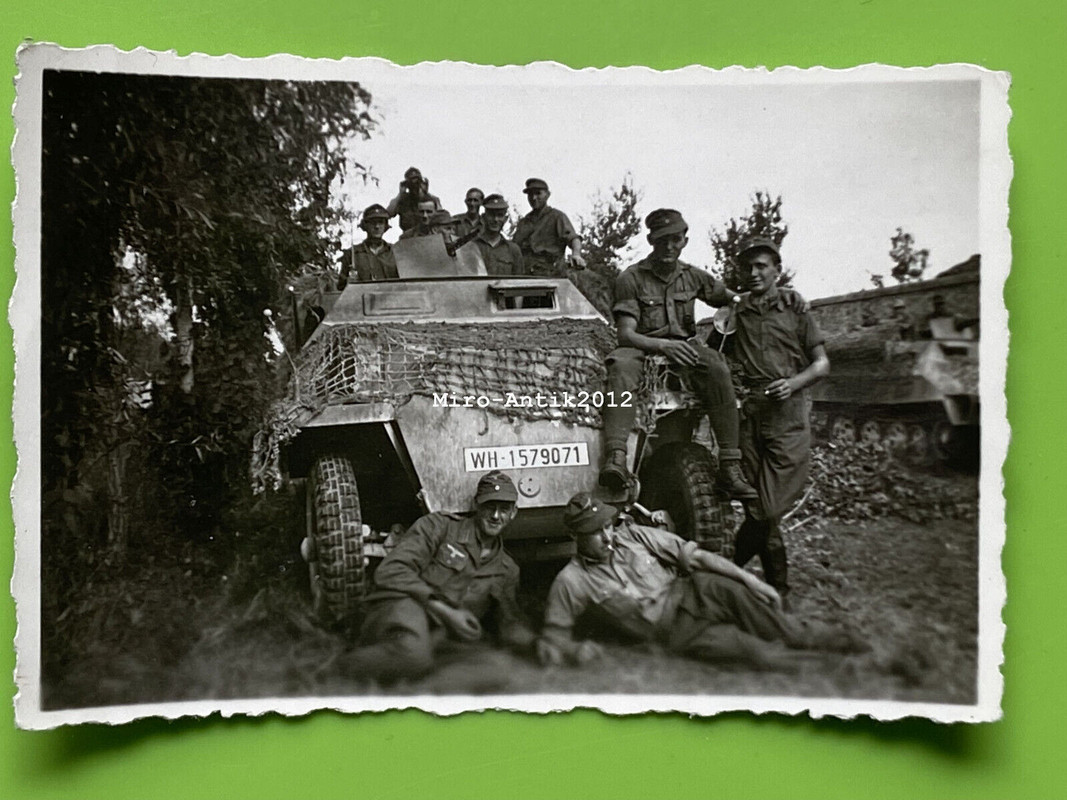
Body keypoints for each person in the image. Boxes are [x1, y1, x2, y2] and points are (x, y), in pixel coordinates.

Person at [536, 492, 865, 669]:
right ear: (574, 536)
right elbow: (553, 637)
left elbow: (697, 557)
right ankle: (844, 668)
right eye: (594, 532)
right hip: (675, 632)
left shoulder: (633, 535)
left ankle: (851, 642)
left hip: (700, 591)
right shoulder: (571, 581)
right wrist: (576, 651)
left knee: (778, 626)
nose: (607, 535)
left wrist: (753, 582)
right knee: (758, 655)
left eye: (607, 525)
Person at [599, 208, 766, 500]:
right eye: (662, 240)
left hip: (685, 349)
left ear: (685, 240)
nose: (669, 247)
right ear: (651, 240)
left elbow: (730, 298)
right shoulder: (631, 278)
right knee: (620, 367)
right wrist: (664, 345)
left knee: (716, 365)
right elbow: (626, 334)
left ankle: (730, 465)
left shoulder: (692, 276)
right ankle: (616, 457)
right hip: (642, 347)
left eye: (675, 239)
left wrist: (754, 300)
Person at [345, 471, 535, 681]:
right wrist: (444, 611)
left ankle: (415, 696)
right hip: (403, 606)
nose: (496, 516)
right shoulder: (439, 526)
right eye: (490, 507)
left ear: (514, 512)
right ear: (476, 505)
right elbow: (392, 570)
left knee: (498, 667)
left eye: (504, 509)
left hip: (441, 634)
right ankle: (333, 671)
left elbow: (508, 623)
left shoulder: (507, 569)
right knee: (413, 656)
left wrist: (538, 644)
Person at [725, 236, 830, 604]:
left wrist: (793, 383)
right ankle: (779, 591)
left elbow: (822, 364)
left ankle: (726, 569)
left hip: (788, 415)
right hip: (752, 415)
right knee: (758, 506)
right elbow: (714, 348)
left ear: (776, 271)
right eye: (747, 268)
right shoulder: (737, 311)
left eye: (761, 267)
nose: (753, 274)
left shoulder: (795, 308)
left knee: (766, 508)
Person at [513, 178, 586, 276]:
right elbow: (514, 248)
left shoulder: (557, 217)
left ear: (547, 195)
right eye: (530, 194)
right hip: (526, 274)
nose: (534, 198)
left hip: (551, 274)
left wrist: (576, 254)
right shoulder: (524, 222)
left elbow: (573, 238)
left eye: (538, 193)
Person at [336, 203, 398, 288]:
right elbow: (341, 287)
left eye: (380, 222)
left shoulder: (395, 252)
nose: (377, 226)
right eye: (373, 223)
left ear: (385, 226)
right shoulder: (352, 254)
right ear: (365, 226)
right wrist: (348, 282)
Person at [472, 194, 526, 276]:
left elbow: (518, 283)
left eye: (500, 215)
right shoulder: (472, 247)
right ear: (483, 217)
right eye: (491, 215)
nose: (495, 219)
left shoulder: (513, 250)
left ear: (505, 219)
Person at [386, 166, 441, 232]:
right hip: (408, 237)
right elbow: (388, 214)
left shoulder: (432, 200)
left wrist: (425, 193)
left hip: (429, 236)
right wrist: (400, 194)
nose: (414, 185)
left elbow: (442, 217)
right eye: (411, 182)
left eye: (417, 181)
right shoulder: (402, 200)